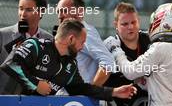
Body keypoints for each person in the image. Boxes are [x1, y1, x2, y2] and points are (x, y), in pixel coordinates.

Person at [0, 19, 136, 100]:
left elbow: (81, 88)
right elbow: (10, 64)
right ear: (71, 39)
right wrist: (35, 84)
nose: (82, 48)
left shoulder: (70, 64)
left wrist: (113, 92)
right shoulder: (35, 45)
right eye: (82, 42)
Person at [104, 2, 149, 106]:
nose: (130, 27)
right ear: (115, 25)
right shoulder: (110, 46)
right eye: (124, 24)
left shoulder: (150, 41)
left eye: (133, 22)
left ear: (139, 22)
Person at [56, 0, 114, 88]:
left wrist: (91, 92)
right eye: (58, 12)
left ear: (80, 12)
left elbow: (108, 62)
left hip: (80, 100)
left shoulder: (86, 33)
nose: (60, 16)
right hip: (68, 98)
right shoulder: (71, 33)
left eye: (64, 11)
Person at [0, 0, 53, 94]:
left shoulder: (49, 40)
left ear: (41, 11)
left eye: (28, 10)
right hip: (4, 99)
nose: (23, 14)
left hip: (34, 101)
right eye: (20, 9)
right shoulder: (2, 35)